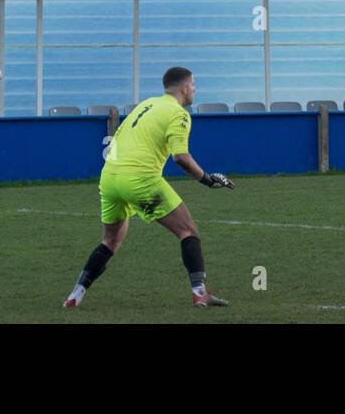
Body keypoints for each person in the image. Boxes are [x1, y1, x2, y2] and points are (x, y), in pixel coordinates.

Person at [63, 67, 235, 309]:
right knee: (188, 231)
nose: (195, 89)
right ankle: (200, 293)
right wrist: (207, 179)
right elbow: (181, 157)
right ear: (184, 87)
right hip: (140, 179)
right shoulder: (179, 114)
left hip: (110, 178)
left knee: (109, 241)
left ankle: (75, 294)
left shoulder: (146, 105)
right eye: (194, 84)